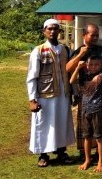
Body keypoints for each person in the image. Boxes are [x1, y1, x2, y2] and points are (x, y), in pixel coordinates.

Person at [26, 18, 75, 167]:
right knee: (44, 124)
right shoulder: (38, 50)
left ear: (60, 31)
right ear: (44, 31)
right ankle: (43, 154)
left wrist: (75, 93)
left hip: (63, 94)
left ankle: (61, 152)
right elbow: (32, 76)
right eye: (49, 29)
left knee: (62, 122)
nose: (53, 31)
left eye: (56, 29)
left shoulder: (66, 50)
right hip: (45, 95)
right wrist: (32, 99)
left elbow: (72, 73)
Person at [66, 23, 102, 156]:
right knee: (85, 124)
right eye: (92, 35)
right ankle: (85, 151)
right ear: (84, 35)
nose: (95, 37)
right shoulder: (79, 50)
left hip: (101, 93)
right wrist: (80, 55)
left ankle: (100, 150)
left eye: (97, 35)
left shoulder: (101, 50)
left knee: (101, 122)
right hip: (85, 93)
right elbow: (68, 68)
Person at [70, 55, 102, 172]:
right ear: (87, 65)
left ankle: (101, 162)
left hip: (97, 110)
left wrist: (83, 77)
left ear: (101, 66)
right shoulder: (83, 75)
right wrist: (77, 68)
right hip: (85, 109)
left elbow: (92, 85)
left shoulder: (101, 76)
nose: (93, 67)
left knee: (99, 137)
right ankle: (87, 159)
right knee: (86, 137)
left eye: (96, 64)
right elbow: (71, 81)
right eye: (91, 64)